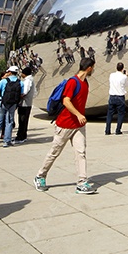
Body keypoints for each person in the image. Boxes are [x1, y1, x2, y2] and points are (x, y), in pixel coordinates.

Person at [34, 58, 97, 194]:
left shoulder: (85, 83)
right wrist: (79, 114)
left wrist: (80, 117)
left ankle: (82, 182)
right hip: (65, 124)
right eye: (93, 68)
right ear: (89, 68)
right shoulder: (73, 82)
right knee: (54, 152)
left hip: (78, 126)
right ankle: (40, 175)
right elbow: (66, 101)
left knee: (81, 153)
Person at [0, 66, 23, 148]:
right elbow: (21, 94)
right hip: (13, 104)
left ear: (10, 72)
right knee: (9, 122)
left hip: (2, 102)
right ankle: (7, 141)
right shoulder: (20, 82)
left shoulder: (3, 81)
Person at [105, 62, 128, 135]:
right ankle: (118, 130)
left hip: (112, 95)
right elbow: (127, 85)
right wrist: (126, 76)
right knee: (120, 114)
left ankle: (107, 130)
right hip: (120, 96)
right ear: (122, 69)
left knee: (110, 114)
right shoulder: (124, 77)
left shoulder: (112, 75)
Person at [15, 66, 35, 144]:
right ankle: (23, 135)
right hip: (27, 103)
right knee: (24, 121)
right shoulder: (31, 79)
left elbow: (25, 91)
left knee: (22, 121)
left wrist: (18, 96)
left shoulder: (27, 81)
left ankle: (21, 136)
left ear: (24, 74)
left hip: (24, 104)